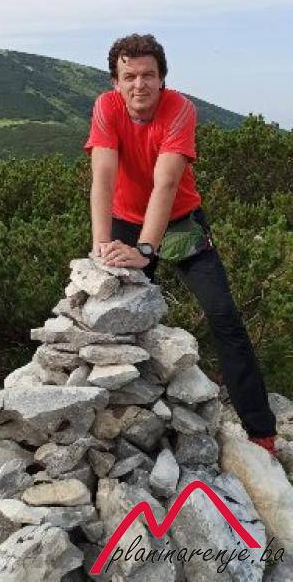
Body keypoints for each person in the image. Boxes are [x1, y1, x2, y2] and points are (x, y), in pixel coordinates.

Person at [84, 32, 277, 454]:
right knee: (116, 322)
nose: (139, 84)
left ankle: (260, 431)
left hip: (180, 222)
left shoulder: (178, 109)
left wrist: (145, 251)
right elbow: (103, 177)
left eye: (148, 75)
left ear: (162, 79)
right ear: (116, 82)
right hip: (124, 221)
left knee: (222, 315)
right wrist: (102, 246)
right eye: (129, 76)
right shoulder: (106, 107)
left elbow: (166, 183)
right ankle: (122, 424)